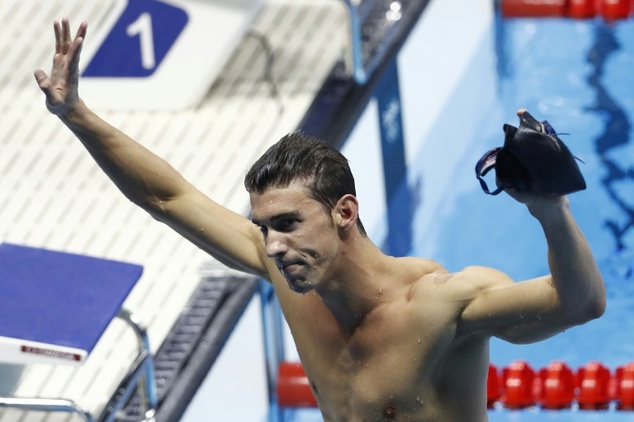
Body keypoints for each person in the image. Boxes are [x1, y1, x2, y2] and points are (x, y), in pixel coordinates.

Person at [34, 19, 606, 422]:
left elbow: (579, 303)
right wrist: (77, 115)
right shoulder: (291, 281)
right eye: (263, 228)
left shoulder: (442, 304)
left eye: (286, 223)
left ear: (345, 212)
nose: (273, 245)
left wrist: (549, 208)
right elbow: (169, 199)